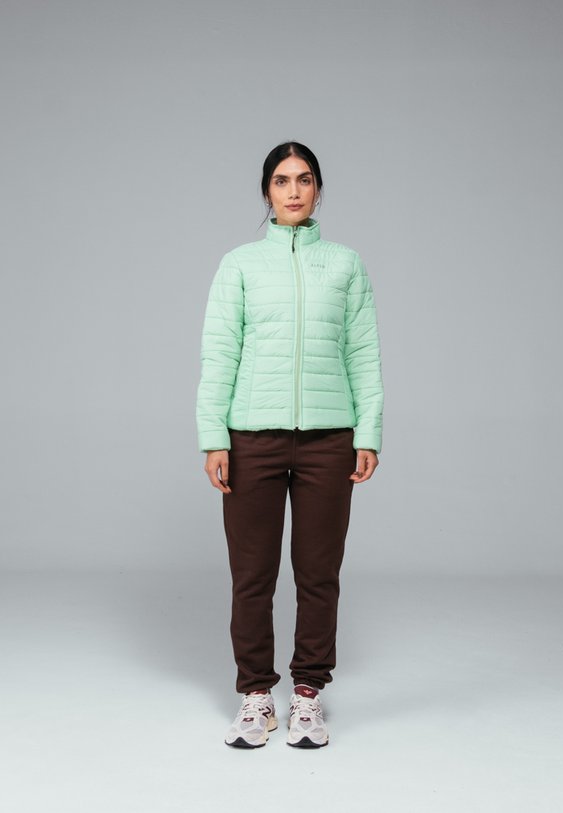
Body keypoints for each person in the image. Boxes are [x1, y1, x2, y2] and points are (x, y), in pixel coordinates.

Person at [196, 141, 384, 748]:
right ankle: (256, 696)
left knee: (319, 573)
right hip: (252, 439)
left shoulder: (346, 264)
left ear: (318, 189)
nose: (294, 191)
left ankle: (307, 695)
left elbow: (363, 353)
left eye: (304, 179)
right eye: (282, 181)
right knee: (252, 574)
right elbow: (219, 353)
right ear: (267, 192)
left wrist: (369, 431)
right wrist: (213, 437)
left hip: (330, 440)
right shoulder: (239, 265)